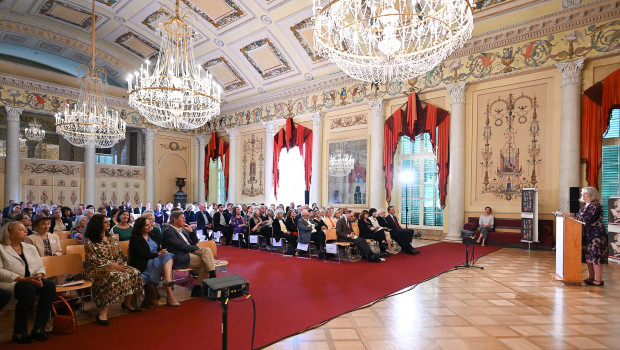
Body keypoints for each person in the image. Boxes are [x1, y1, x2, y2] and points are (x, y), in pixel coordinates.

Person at [0, 221, 56, 343]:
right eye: (21, 229)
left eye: (25, 228)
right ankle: (20, 332)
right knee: (28, 289)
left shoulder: (30, 247)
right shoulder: (1, 248)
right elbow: (0, 272)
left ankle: (39, 328)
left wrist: (39, 276)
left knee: (49, 286)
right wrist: (23, 279)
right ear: (10, 234)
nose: (26, 230)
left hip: (30, 280)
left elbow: (40, 266)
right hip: (10, 282)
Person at [84, 214, 143, 325]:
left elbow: (119, 254)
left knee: (135, 272)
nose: (108, 223)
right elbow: (93, 260)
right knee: (114, 277)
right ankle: (103, 312)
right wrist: (112, 265)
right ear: (98, 225)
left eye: (108, 221)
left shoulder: (112, 238)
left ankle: (127, 302)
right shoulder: (90, 241)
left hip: (116, 265)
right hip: (96, 269)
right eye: (105, 222)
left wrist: (120, 264)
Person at [162, 211, 217, 297]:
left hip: (188, 252)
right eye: (182, 218)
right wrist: (196, 248)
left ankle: (209, 279)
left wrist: (191, 231)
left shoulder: (182, 230)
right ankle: (201, 286)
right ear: (175, 220)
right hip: (179, 256)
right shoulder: (168, 231)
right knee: (206, 261)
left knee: (206, 251)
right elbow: (181, 246)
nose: (185, 219)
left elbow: (194, 242)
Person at [128, 217, 178, 308]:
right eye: (146, 225)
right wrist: (158, 254)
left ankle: (167, 279)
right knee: (165, 261)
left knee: (168, 254)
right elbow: (141, 255)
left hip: (155, 260)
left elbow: (157, 249)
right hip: (143, 263)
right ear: (140, 227)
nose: (149, 226)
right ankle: (169, 292)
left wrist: (161, 251)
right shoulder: (135, 239)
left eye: (149, 224)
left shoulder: (151, 235)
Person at [563, 187, 608, 286]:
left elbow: (587, 219)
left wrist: (571, 216)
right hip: (587, 233)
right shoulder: (584, 205)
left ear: (592, 194)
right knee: (589, 256)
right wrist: (571, 217)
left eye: (585, 193)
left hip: (596, 234)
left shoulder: (595, 205)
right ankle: (591, 277)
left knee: (595, 256)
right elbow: (580, 218)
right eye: (582, 193)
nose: (583, 195)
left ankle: (598, 279)